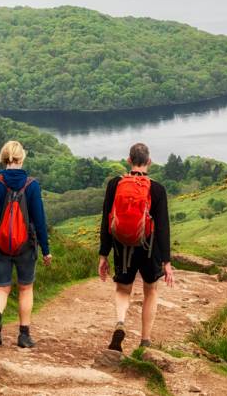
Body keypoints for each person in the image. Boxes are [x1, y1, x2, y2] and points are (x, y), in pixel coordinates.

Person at [99, 143, 175, 352]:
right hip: (149, 248)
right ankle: (145, 341)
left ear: (129, 160)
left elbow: (106, 220)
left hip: (122, 246)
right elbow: (163, 226)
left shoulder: (115, 184)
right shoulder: (157, 189)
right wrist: (166, 261)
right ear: (149, 162)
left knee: (123, 289)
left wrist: (103, 254)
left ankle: (121, 322)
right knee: (150, 290)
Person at [0, 141, 51, 348]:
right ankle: (24, 335)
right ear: (21, 159)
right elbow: (39, 221)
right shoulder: (32, 185)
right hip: (26, 246)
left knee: (1, 288)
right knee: (25, 288)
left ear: (4, 158)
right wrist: (46, 251)